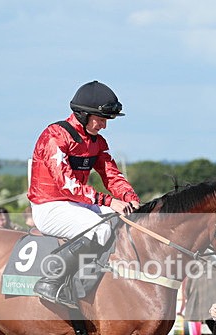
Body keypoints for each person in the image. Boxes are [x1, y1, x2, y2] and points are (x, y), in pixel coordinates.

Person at [28, 80, 140, 307]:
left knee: (123, 220)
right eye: (101, 120)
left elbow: (111, 175)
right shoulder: (55, 136)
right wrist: (109, 201)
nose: (104, 126)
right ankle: (51, 279)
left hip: (77, 203)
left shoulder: (97, 142)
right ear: (83, 115)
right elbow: (67, 185)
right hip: (50, 206)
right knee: (100, 228)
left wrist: (131, 199)